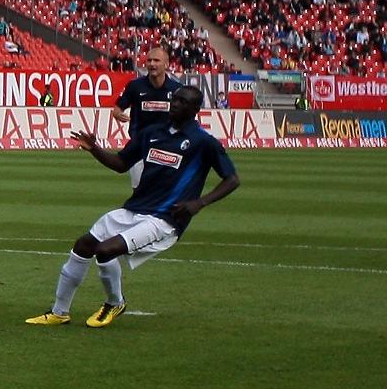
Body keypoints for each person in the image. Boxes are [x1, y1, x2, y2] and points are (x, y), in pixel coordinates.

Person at [26, 83, 239, 328]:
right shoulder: (152, 132)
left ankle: (115, 302)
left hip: (164, 219)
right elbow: (120, 163)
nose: (174, 104)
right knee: (84, 245)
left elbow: (232, 179)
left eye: (182, 102)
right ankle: (59, 312)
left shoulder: (204, 143)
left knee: (105, 250)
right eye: (174, 99)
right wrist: (95, 148)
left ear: (195, 109)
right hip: (135, 209)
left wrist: (199, 203)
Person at [112, 46, 181, 138]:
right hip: (140, 141)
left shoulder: (177, 89)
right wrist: (118, 114)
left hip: (167, 143)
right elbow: (117, 110)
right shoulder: (134, 86)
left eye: (156, 60)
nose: (152, 64)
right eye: (149, 60)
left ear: (166, 64)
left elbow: (185, 118)